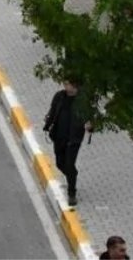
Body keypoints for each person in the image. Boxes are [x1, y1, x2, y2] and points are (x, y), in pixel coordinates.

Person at [43, 78, 93, 206]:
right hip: (59, 136)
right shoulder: (59, 96)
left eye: (68, 84)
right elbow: (53, 111)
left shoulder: (82, 100)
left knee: (69, 165)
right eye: (64, 84)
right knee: (60, 163)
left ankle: (72, 193)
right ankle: (72, 176)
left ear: (75, 86)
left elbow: (89, 118)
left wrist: (89, 125)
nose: (65, 86)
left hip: (73, 139)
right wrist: (47, 123)